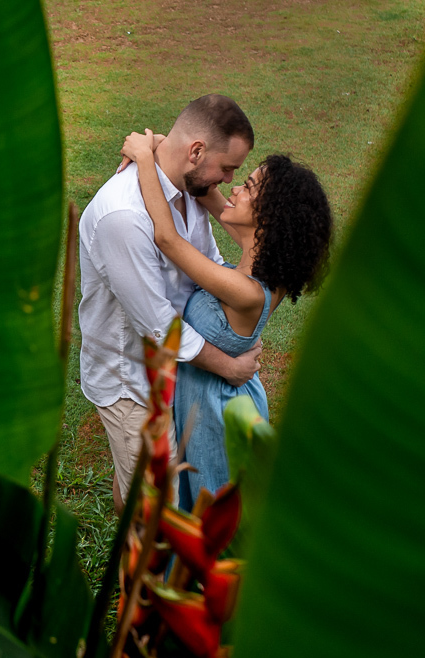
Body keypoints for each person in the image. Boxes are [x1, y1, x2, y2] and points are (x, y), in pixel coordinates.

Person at [120, 129, 332, 509]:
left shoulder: (247, 291)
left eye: (248, 186)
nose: (234, 189)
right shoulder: (264, 257)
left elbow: (167, 238)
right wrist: (171, 147)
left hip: (215, 412)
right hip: (212, 396)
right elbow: (206, 192)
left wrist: (144, 158)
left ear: (268, 217)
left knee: (207, 512)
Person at [78, 95, 261, 514]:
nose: (229, 181)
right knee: (157, 510)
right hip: (132, 382)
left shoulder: (190, 188)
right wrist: (230, 366)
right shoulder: (123, 216)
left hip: (171, 369)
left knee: (154, 489)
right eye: (227, 168)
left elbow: (206, 263)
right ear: (195, 151)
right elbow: (159, 326)